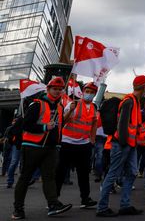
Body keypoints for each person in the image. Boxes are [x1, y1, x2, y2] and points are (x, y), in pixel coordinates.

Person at [12, 76, 71, 220]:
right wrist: (44, 127)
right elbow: (26, 124)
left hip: (51, 148)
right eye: (54, 89)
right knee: (25, 178)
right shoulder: (36, 104)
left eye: (60, 89)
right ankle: (18, 210)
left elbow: (58, 128)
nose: (57, 92)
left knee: (49, 177)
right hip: (32, 146)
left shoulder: (60, 107)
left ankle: (53, 205)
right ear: (48, 89)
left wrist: (58, 144)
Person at [96, 75, 145, 217]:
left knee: (131, 172)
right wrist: (125, 143)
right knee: (112, 174)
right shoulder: (129, 102)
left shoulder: (135, 101)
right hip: (122, 144)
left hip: (129, 144)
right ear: (144, 86)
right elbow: (122, 125)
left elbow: (131, 123)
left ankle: (125, 205)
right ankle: (102, 208)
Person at [56, 81, 98, 209]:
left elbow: (94, 123)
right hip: (68, 142)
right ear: (83, 92)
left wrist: (92, 139)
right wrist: (70, 111)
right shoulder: (73, 104)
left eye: (92, 92)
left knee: (84, 173)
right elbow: (62, 120)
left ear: (95, 94)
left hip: (84, 144)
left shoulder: (94, 107)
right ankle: (53, 200)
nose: (89, 94)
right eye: (87, 91)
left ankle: (85, 199)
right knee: (60, 172)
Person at [6, 115, 23, 189]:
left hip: (24, 145)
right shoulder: (16, 125)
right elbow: (10, 135)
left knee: (22, 163)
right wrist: (14, 141)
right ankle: (10, 181)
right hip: (17, 145)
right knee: (14, 162)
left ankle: (23, 181)